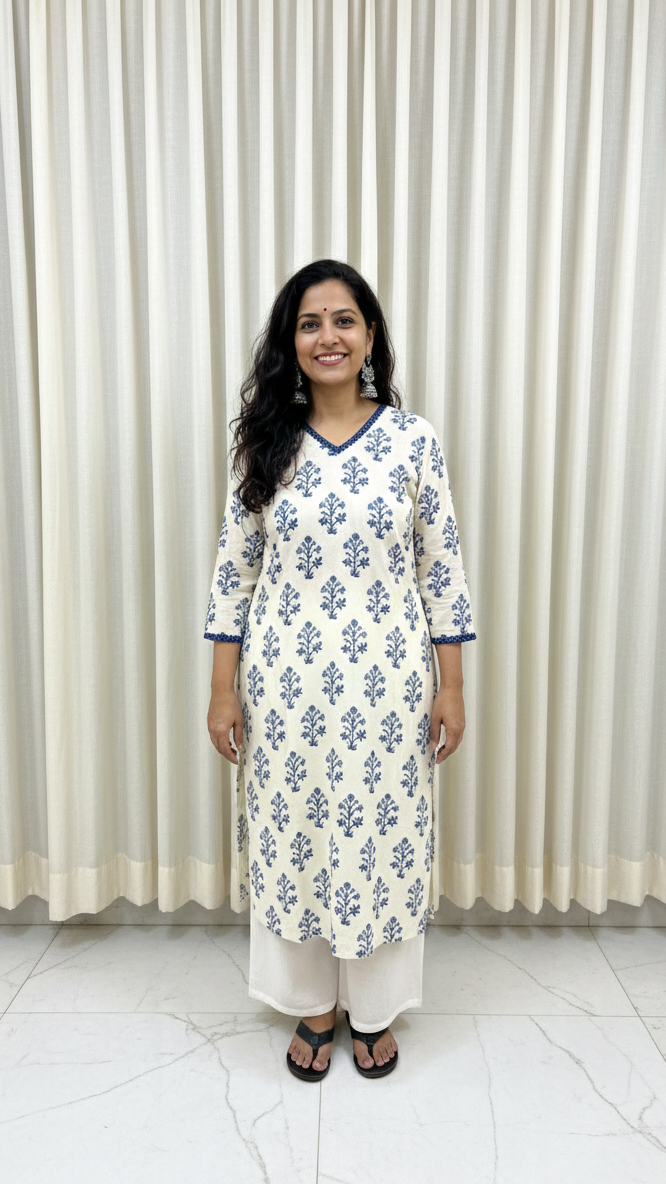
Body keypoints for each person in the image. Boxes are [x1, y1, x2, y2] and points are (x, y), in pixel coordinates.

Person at [205, 259, 476, 1080]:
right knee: (296, 838)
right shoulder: (266, 444)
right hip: (283, 688)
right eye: (310, 322)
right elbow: (233, 572)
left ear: (369, 337)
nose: (329, 336)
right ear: (292, 341)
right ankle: (312, 1004)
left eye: (344, 320)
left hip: (390, 688)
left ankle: (374, 1008)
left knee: (380, 841)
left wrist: (452, 685)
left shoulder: (412, 441)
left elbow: (442, 571)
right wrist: (222, 689)